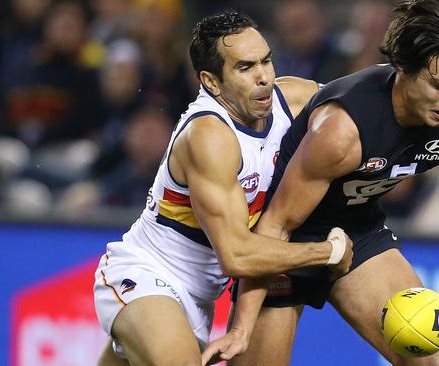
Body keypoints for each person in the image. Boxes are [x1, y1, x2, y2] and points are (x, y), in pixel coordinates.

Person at [205, 1, 439, 366]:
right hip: (285, 240)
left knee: (432, 361)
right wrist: (243, 328)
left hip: (356, 230)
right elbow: (278, 224)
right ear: (403, 69)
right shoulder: (342, 132)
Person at [93, 12, 354, 366]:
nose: (264, 77)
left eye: (266, 60)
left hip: (198, 299)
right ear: (211, 82)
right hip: (148, 272)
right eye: (245, 68)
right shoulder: (208, 136)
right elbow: (237, 256)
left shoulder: (293, 98)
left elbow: (361, 105)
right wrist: (328, 252)